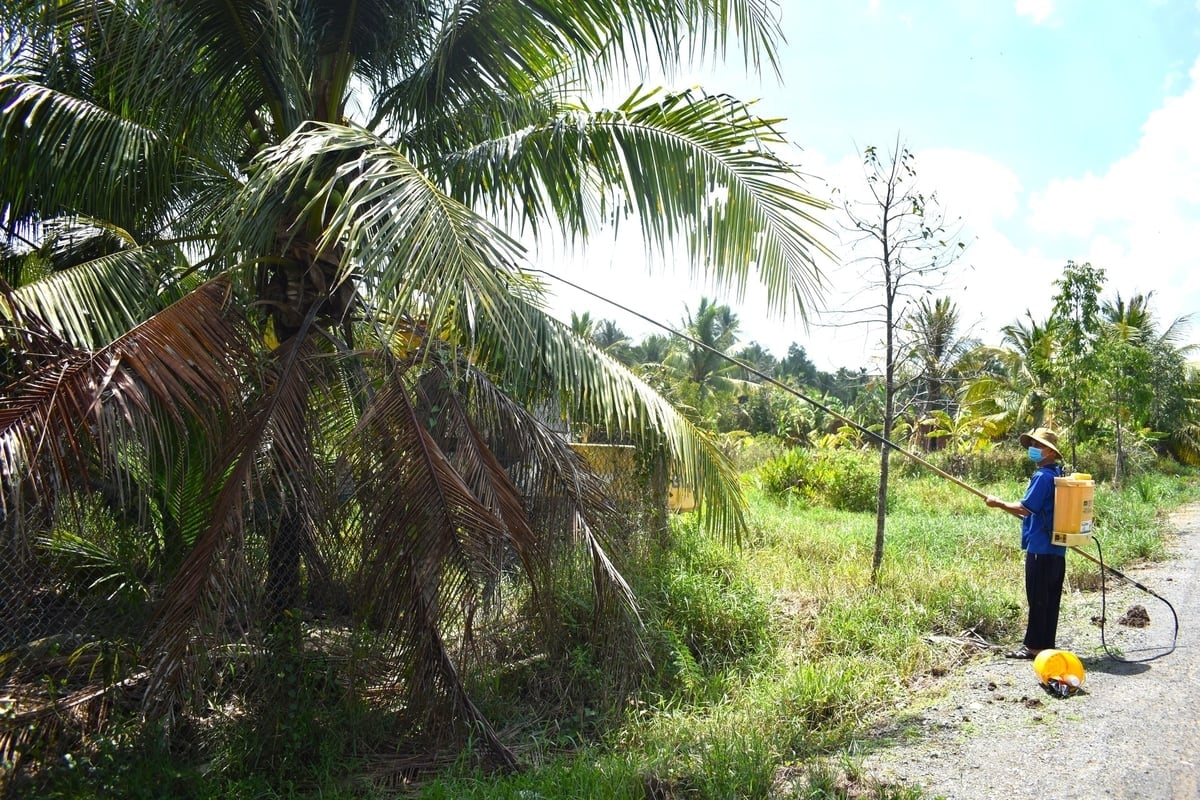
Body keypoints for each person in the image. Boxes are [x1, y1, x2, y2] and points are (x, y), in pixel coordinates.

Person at [985, 427, 1065, 659]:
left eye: (1038, 446)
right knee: (1050, 599)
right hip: (1057, 550)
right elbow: (1037, 512)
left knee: (1038, 599)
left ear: (1050, 452)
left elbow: (1025, 507)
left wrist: (998, 503)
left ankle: (1033, 648)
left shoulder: (1042, 477)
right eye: (1032, 445)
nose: (1033, 450)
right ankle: (1046, 644)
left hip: (1040, 549)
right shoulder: (1057, 475)